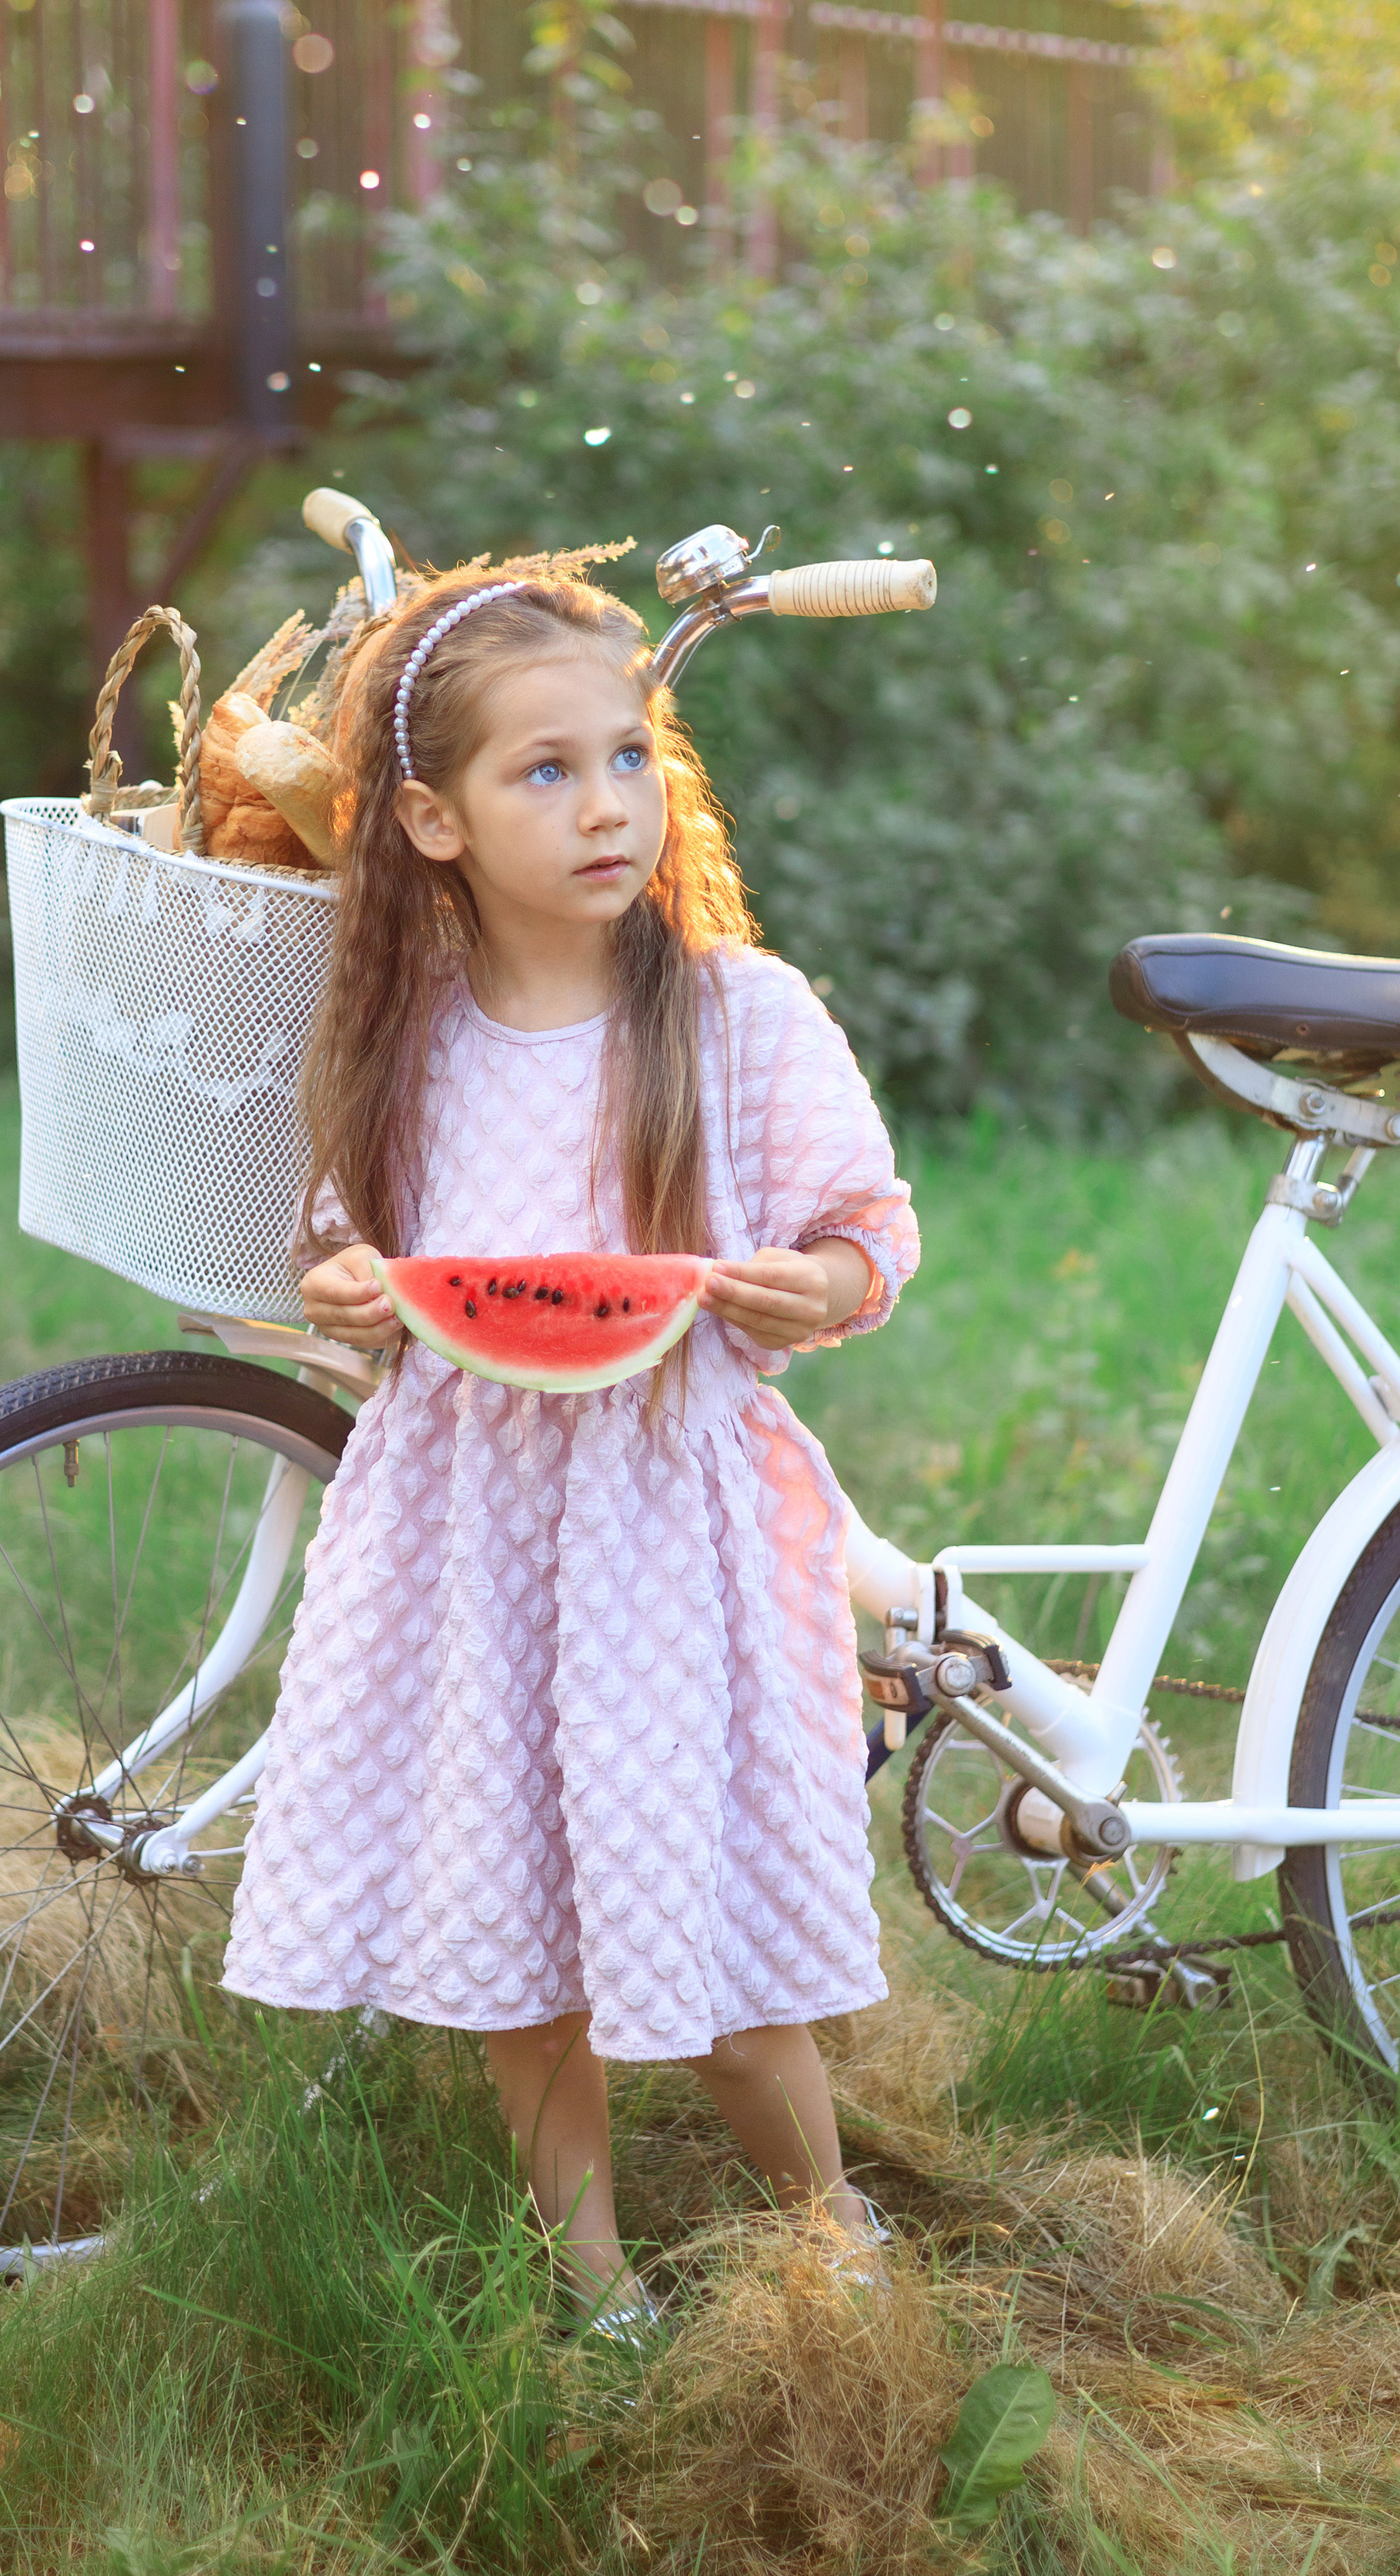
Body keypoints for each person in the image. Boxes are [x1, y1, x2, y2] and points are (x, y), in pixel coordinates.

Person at [223, 556, 920, 2335]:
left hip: (670, 1542)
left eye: (626, 758)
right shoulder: (406, 1043)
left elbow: (867, 1234)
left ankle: (830, 2231)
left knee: (733, 1961)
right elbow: (344, 1253)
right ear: (431, 821)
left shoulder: (741, 1016)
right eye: (544, 771)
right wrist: (355, 1291)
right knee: (517, 1953)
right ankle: (590, 2290)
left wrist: (813, 1285)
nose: (604, 803)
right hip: (470, 1552)